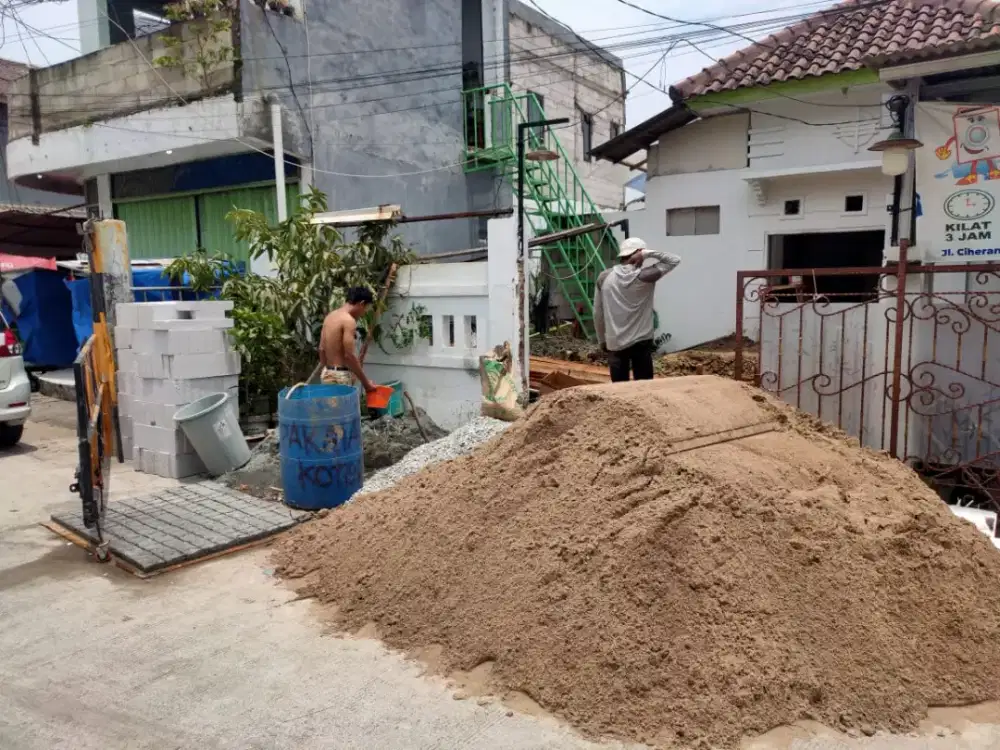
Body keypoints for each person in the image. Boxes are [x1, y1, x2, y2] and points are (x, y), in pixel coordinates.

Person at [594, 237, 680, 383]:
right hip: (642, 342)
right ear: (640, 252)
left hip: (615, 343)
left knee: (620, 390)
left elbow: (597, 313)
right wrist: (647, 253)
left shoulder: (604, 277)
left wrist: (602, 340)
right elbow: (674, 259)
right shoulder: (645, 276)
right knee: (644, 389)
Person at [318, 286, 378, 393]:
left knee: (329, 409)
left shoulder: (330, 317)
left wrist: (328, 371)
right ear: (361, 303)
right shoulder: (348, 321)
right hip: (340, 377)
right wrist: (366, 384)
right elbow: (349, 355)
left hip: (326, 373)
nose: (363, 313)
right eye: (365, 308)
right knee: (344, 410)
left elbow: (321, 349)